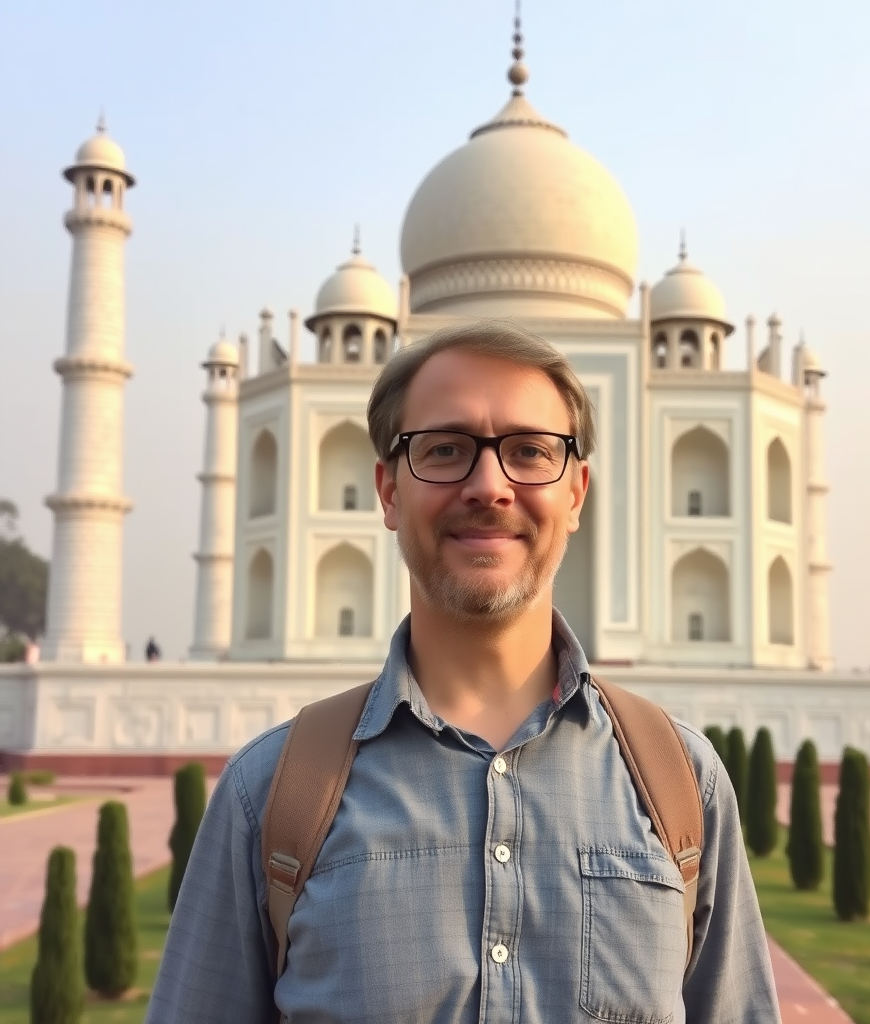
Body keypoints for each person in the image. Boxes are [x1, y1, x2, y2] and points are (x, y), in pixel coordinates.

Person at [146, 320, 781, 1023]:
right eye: (445, 450)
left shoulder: (680, 786)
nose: (490, 486)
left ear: (576, 493)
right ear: (387, 491)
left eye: (530, 452)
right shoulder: (270, 796)